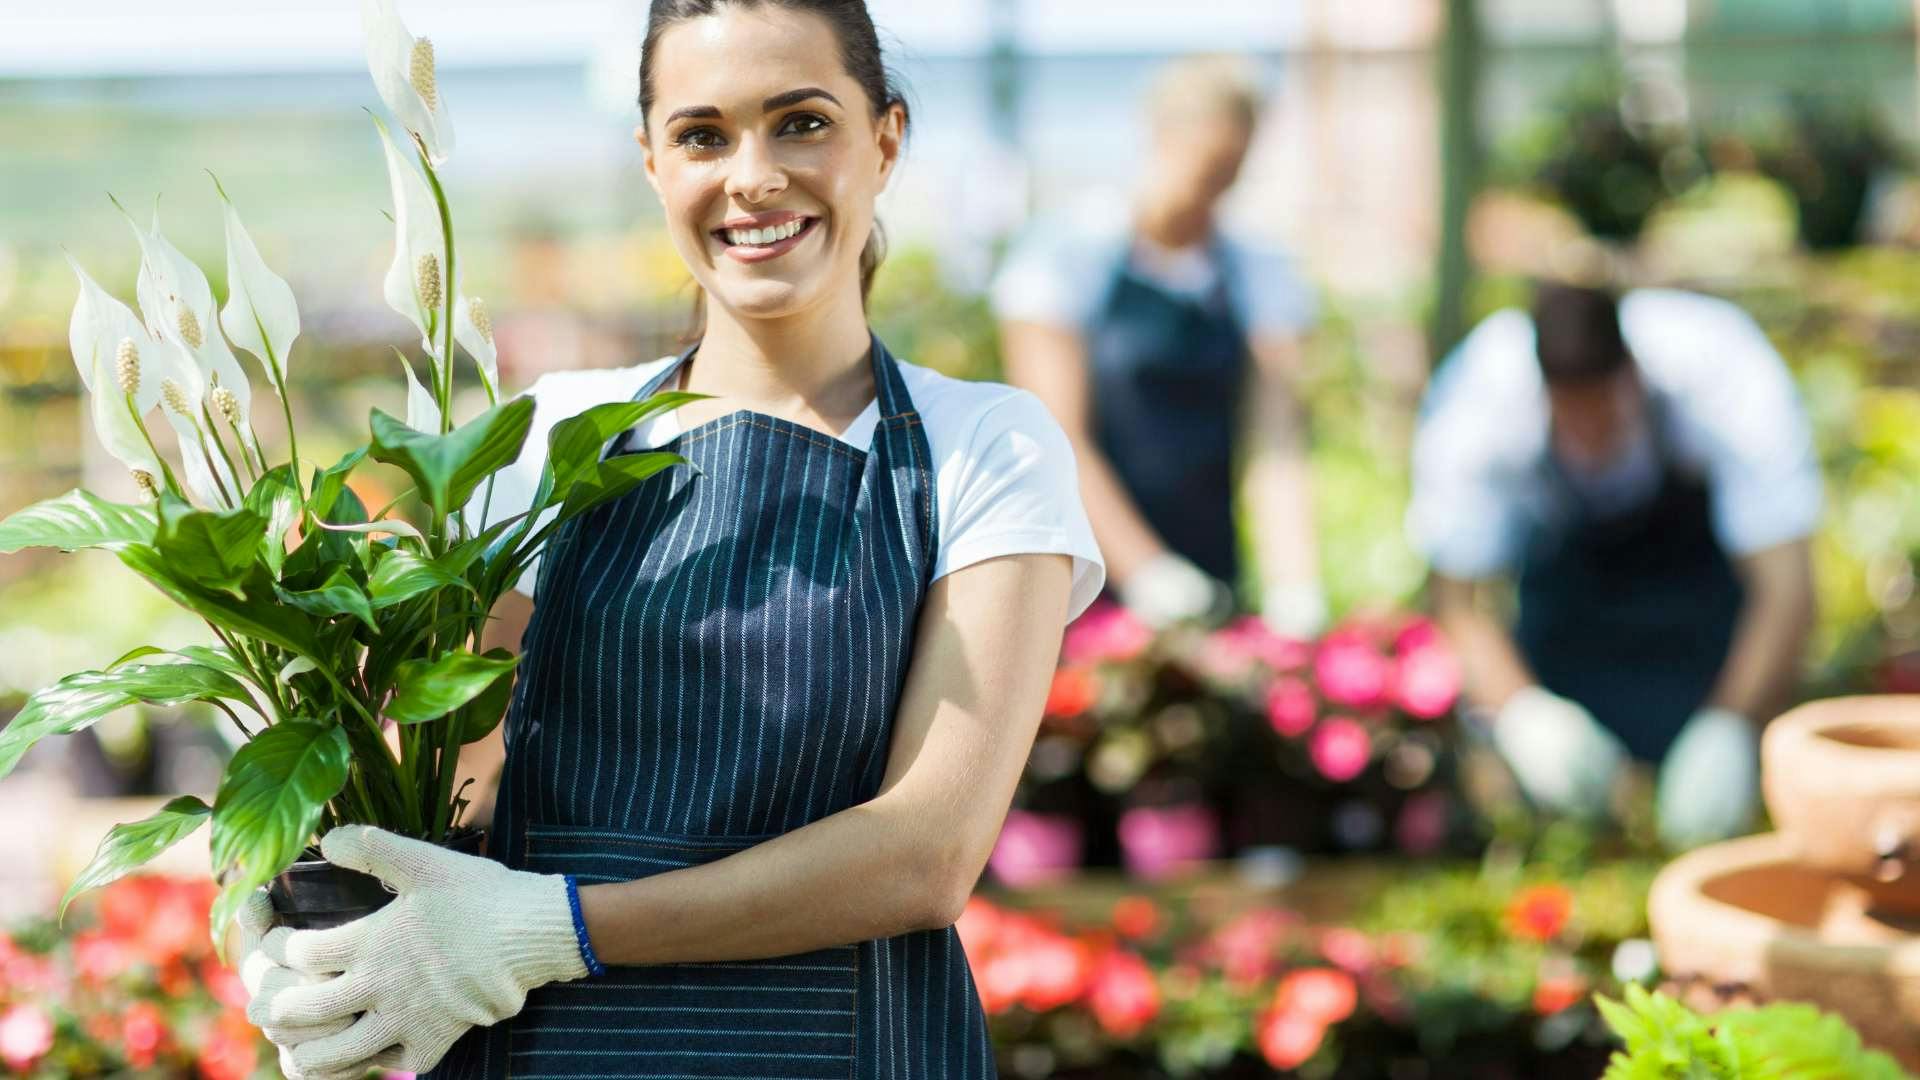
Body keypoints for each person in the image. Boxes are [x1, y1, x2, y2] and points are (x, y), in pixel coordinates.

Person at [235, 2, 1105, 1077]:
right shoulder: (547, 434)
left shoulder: (984, 448)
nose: (753, 176)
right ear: (651, 161)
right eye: (703, 135)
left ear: (886, 139)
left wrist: (556, 931)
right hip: (552, 1052)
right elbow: (454, 779)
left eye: (802, 123)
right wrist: (299, 892)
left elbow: (924, 855)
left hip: (843, 1047)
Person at [1409, 281, 1819, 849]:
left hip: (1700, 629)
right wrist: (1523, 712)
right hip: (1566, 630)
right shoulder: (1478, 400)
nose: (1590, 435)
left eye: (1603, 413)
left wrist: (1732, 724)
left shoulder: (1725, 373)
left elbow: (1787, 589)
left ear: (1631, 375)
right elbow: (1457, 601)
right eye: (1571, 416)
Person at [992, 55, 1323, 634]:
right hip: (1086, 579)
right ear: (1161, 137)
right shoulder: (1065, 258)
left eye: (1231, 175)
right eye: (1207, 169)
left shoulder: (1257, 272)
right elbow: (1054, 435)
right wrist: (1146, 571)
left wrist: (1295, 581)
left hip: (1210, 566)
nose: (1213, 194)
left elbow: (1275, 437)